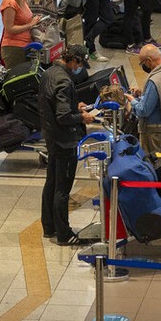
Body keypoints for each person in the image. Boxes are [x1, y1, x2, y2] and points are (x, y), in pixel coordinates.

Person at [39, 44, 96, 246]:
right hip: (64, 140)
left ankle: (49, 227)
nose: (79, 68)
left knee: (51, 183)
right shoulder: (64, 80)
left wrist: (75, 106)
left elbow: (54, 105)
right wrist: (81, 117)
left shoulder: (49, 73)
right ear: (74, 60)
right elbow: (63, 116)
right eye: (80, 64)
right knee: (62, 188)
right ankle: (64, 234)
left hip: (51, 137)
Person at [0, 0, 41, 68]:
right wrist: (31, 24)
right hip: (13, 48)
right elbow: (10, 28)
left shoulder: (21, 0)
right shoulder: (10, 3)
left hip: (25, 45)